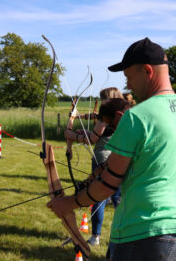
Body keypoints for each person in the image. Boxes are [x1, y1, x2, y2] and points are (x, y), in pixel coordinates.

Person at [48, 37, 176, 260]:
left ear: (148, 70)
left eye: (130, 77)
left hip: (147, 235)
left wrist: (68, 203)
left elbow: (107, 186)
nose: (129, 85)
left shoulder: (137, 117)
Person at [64, 87, 123, 246]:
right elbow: (94, 117)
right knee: (118, 199)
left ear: (108, 99)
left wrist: (72, 136)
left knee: (98, 198)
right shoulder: (118, 115)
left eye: (103, 98)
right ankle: (121, 236)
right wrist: (77, 117)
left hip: (102, 159)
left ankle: (96, 237)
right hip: (118, 158)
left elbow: (92, 139)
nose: (102, 101)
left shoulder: (106, 118)